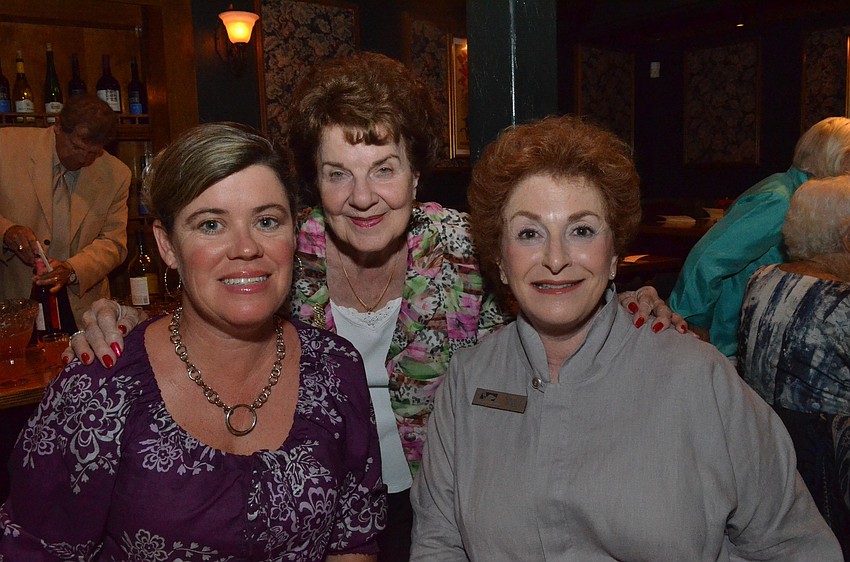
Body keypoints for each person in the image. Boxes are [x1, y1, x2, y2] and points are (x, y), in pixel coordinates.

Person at [67, 53, 681, 561]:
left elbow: (555, 287)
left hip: (452, 503)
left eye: (384, 169)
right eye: (338, 173)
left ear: (416, 176)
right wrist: (123, 320)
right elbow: (210, 314)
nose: (362, 198)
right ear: (314, 181)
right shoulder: (279, 253)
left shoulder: (469, 249)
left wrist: (625, 306)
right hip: (316, 510)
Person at [410, 114, 842, 560]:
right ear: (501, 260)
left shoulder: (697, 378)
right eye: (529, 233)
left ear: (614, 252)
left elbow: (795, 545)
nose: (556, 258)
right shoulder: (469, 380)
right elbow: (437, 542)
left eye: (581, 230)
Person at [0, 122, 386, 560]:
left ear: (293, 233)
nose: (245, 248)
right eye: (210, 225)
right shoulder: (101, 386)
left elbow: (353, 538)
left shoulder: (334, 367)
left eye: (267, 221)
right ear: (167, 245)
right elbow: (34, 549)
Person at [668, 116, 850, 358]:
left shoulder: (796, 192)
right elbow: (707, 258)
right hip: (722, 341)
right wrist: (693, 323)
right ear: (834, 158)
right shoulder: (779, 200)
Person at [738, 176, 850, 558]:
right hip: (831, 481)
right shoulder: (841, 302)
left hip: (768, 465)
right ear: (847, 238)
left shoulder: (762, 279)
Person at [0, 93, 131, 327]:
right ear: (58, 126)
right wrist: (6, 231)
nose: (83, 159)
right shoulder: (6, 147)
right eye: (77, 147)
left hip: (83, 313)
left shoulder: (117, 174)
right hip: (14, 306)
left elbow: (113, 244)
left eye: (94, 152)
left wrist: (72, 270)